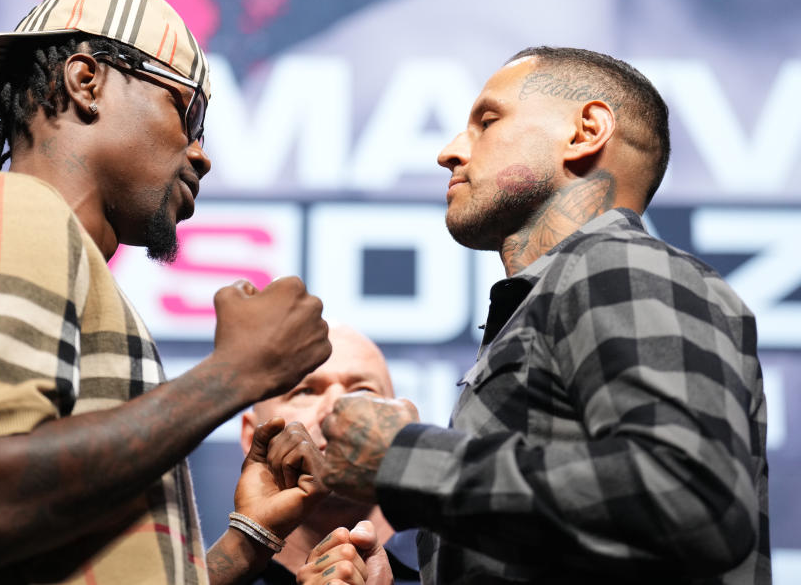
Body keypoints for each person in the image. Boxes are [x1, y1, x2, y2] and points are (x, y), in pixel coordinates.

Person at [0, 0, 332, 585]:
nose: (201, 154)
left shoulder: (59, 250)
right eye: (188, 111)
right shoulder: (14, 212)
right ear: (86, 81)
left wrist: (246, 542)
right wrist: (235, 374)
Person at [319, 47, 769, 584]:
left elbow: (691, 501)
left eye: (487, 121)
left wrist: (403, 457)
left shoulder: (617, 264)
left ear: (586, 132)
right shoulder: (558, 295)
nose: (449, 152)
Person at [239, 324, 420, 585]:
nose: (337, 408)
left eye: (363, 391)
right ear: (251, 437)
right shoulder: (209, 577)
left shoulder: (462, 569)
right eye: (306, 391)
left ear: (399, 423)